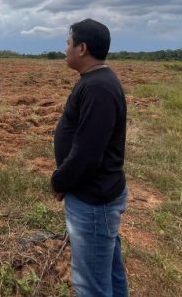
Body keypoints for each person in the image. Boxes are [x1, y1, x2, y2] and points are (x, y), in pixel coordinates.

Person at [51, 19, 128, 297]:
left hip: (93, 199)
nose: (65, 48)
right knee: (108, 270)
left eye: (68, 42)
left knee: (89, 284)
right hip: (97, 196)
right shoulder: (95, 81)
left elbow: (87, 153)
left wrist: (60, 181)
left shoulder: (98, 88)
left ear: (82, 48)